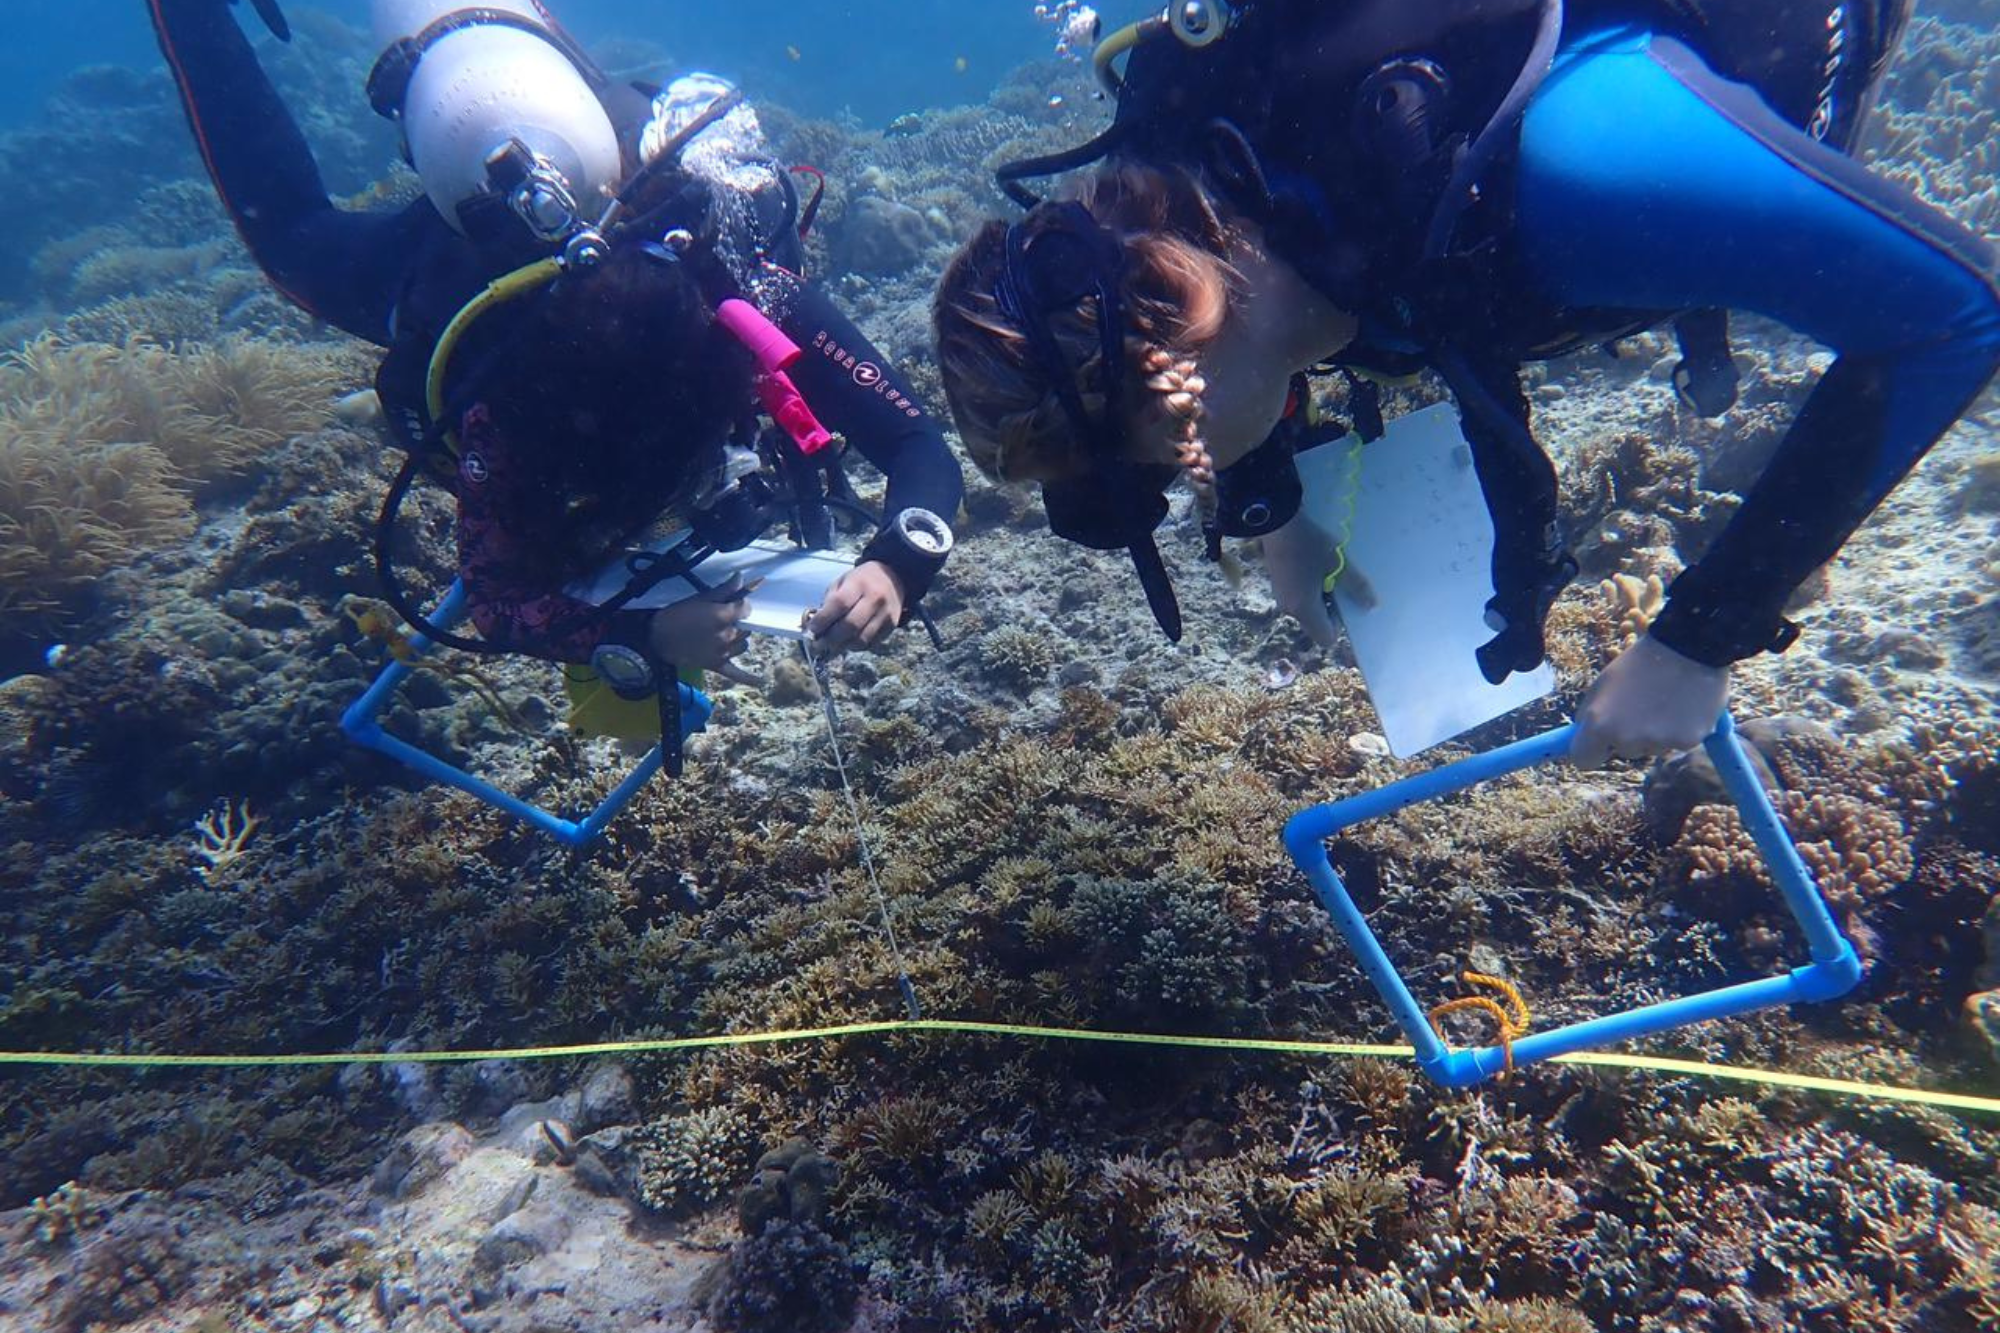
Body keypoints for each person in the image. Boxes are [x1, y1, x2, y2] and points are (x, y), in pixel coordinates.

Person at [933, 0, 2000, 768]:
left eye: (1156, 454)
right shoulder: (1212, 196)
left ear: (1177, 354)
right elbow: (1220, 344)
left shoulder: (1579, 175)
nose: (1176, 480)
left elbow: (1951, 313)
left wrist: (1701, 635)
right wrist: (1278, 512)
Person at [150, 0, 963, 730]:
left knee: (581, 127)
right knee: (290, 236)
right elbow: (496, 597)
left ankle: (508, 33)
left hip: (592, 149)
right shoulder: (501, 392)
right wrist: (638, 634)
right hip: (447, 258)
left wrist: (899, 563)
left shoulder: (751, 298)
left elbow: (918, 446)